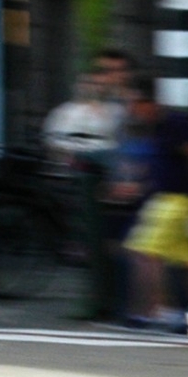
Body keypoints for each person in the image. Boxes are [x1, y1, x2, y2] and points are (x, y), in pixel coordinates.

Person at [114, 74, 188, 332]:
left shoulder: (174, 123)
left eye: (133, 104)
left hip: (175, 201)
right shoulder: (160, 125)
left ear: (145, 102)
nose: (131, 111)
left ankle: (156, 311)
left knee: (144, 253)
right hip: (173, 200)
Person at [43, 49, 133, 319]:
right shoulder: (73, 111)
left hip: (113, 179)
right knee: (94, 244)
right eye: (101, 75)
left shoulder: (120, 108)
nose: (103, 82)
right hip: (86, 178)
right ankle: (99, 300)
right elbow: (56, 140)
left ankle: (113, 301)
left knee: (114, 243)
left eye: (112, 73)